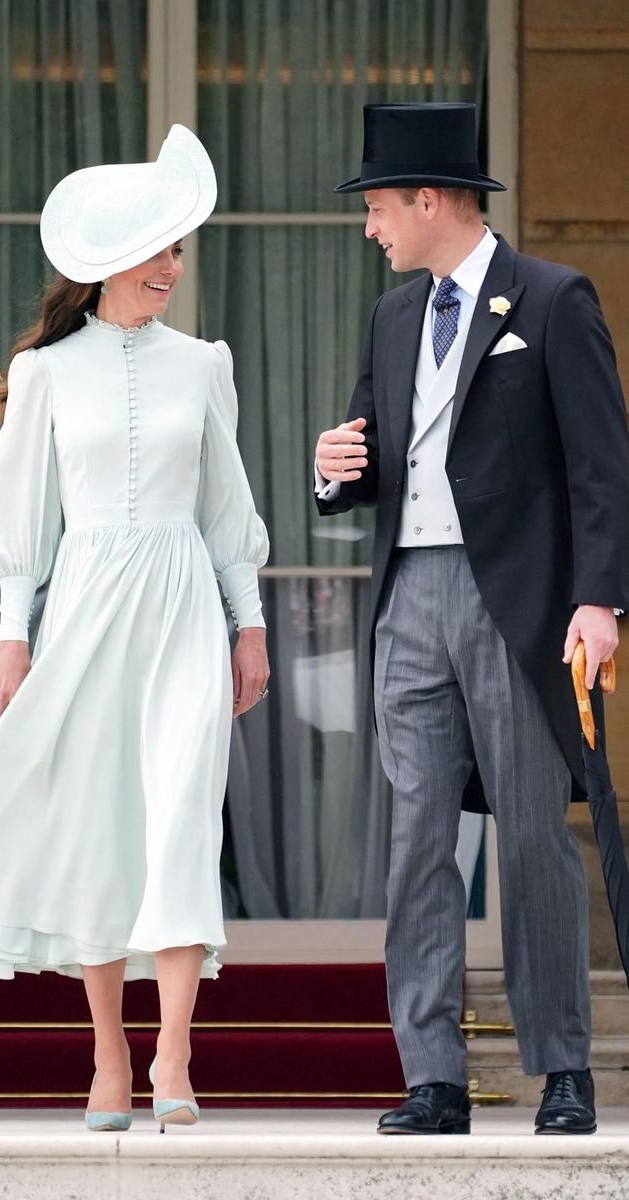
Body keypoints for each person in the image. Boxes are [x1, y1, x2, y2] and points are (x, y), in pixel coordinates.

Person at [0, 125, 270, 1133]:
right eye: (157, 249)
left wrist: (250, 626)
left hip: (185, 605)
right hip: (84, 610)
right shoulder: (44, 377)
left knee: (183, 821)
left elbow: (226, 513)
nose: (172, 267)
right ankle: (110, 1053)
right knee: (100, 828)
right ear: (109, 262)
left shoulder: (204, 365)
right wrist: (15, 636)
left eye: (177, 249)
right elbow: (21, 524)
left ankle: (175, 1053)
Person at [315, 103, 629, 1136]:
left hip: (517, 606)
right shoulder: (394, 315)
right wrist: (335, 474)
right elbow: (379, 450)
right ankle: (434, 1078)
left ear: (429, 200)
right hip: (412, 601)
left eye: (377, 208)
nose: (371, 228)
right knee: (415, 842)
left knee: (534, 834)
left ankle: (563, 1070)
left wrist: (598, 601)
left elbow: (600, 467)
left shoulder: (551, 297)